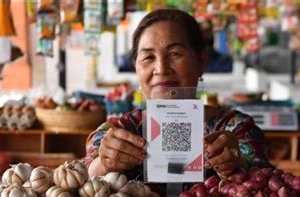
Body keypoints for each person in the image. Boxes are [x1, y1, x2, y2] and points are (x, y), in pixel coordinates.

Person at [83, 9, 270, 178]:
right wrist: (103, 164)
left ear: (201, 61)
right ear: (136, 69)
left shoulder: (235, 128)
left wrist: (239, 163)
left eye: (174, 54)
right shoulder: (117, 132)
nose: (161, 68)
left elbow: (266, 178)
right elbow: (84, 173)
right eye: (148, 57)